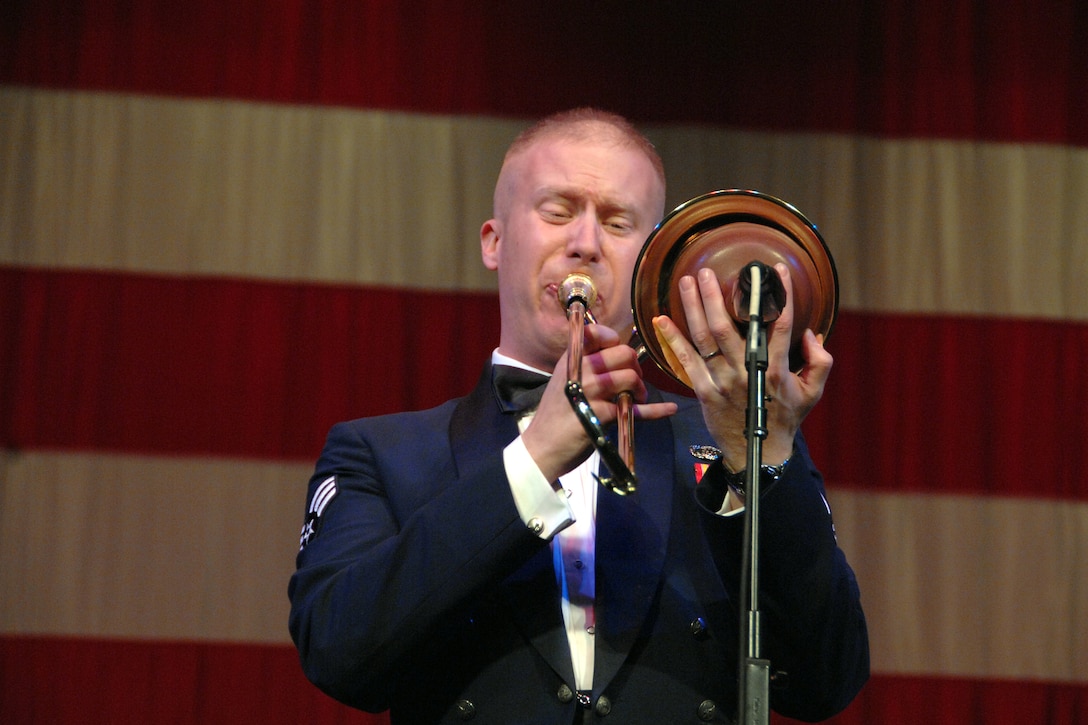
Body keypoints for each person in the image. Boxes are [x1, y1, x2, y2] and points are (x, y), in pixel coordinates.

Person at [288, 108, 869, 724]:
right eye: (557, 211)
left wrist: (767, 459)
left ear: (651, 264)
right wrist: (532, 461)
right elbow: (338, 653)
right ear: (495, 240)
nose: (585, 243)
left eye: (618, 222)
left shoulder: (723, 448)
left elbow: (825, 681)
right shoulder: (379, 453)